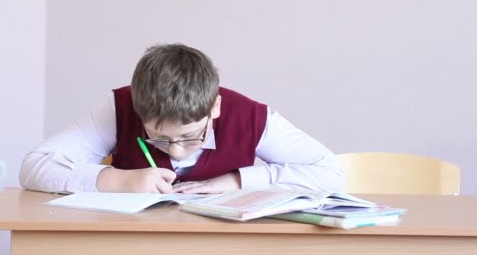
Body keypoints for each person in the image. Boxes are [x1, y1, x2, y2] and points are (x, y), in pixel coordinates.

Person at [20, 43, 345, 194]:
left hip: (226, 254)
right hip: (133, 251)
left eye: (191, 137)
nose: (175, 151)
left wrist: (237, 181)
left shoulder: (250, 117)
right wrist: (118, 181)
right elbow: (34, 165)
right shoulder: (122, 106)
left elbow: (330, 173)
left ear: (214, 108)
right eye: (160, 139)